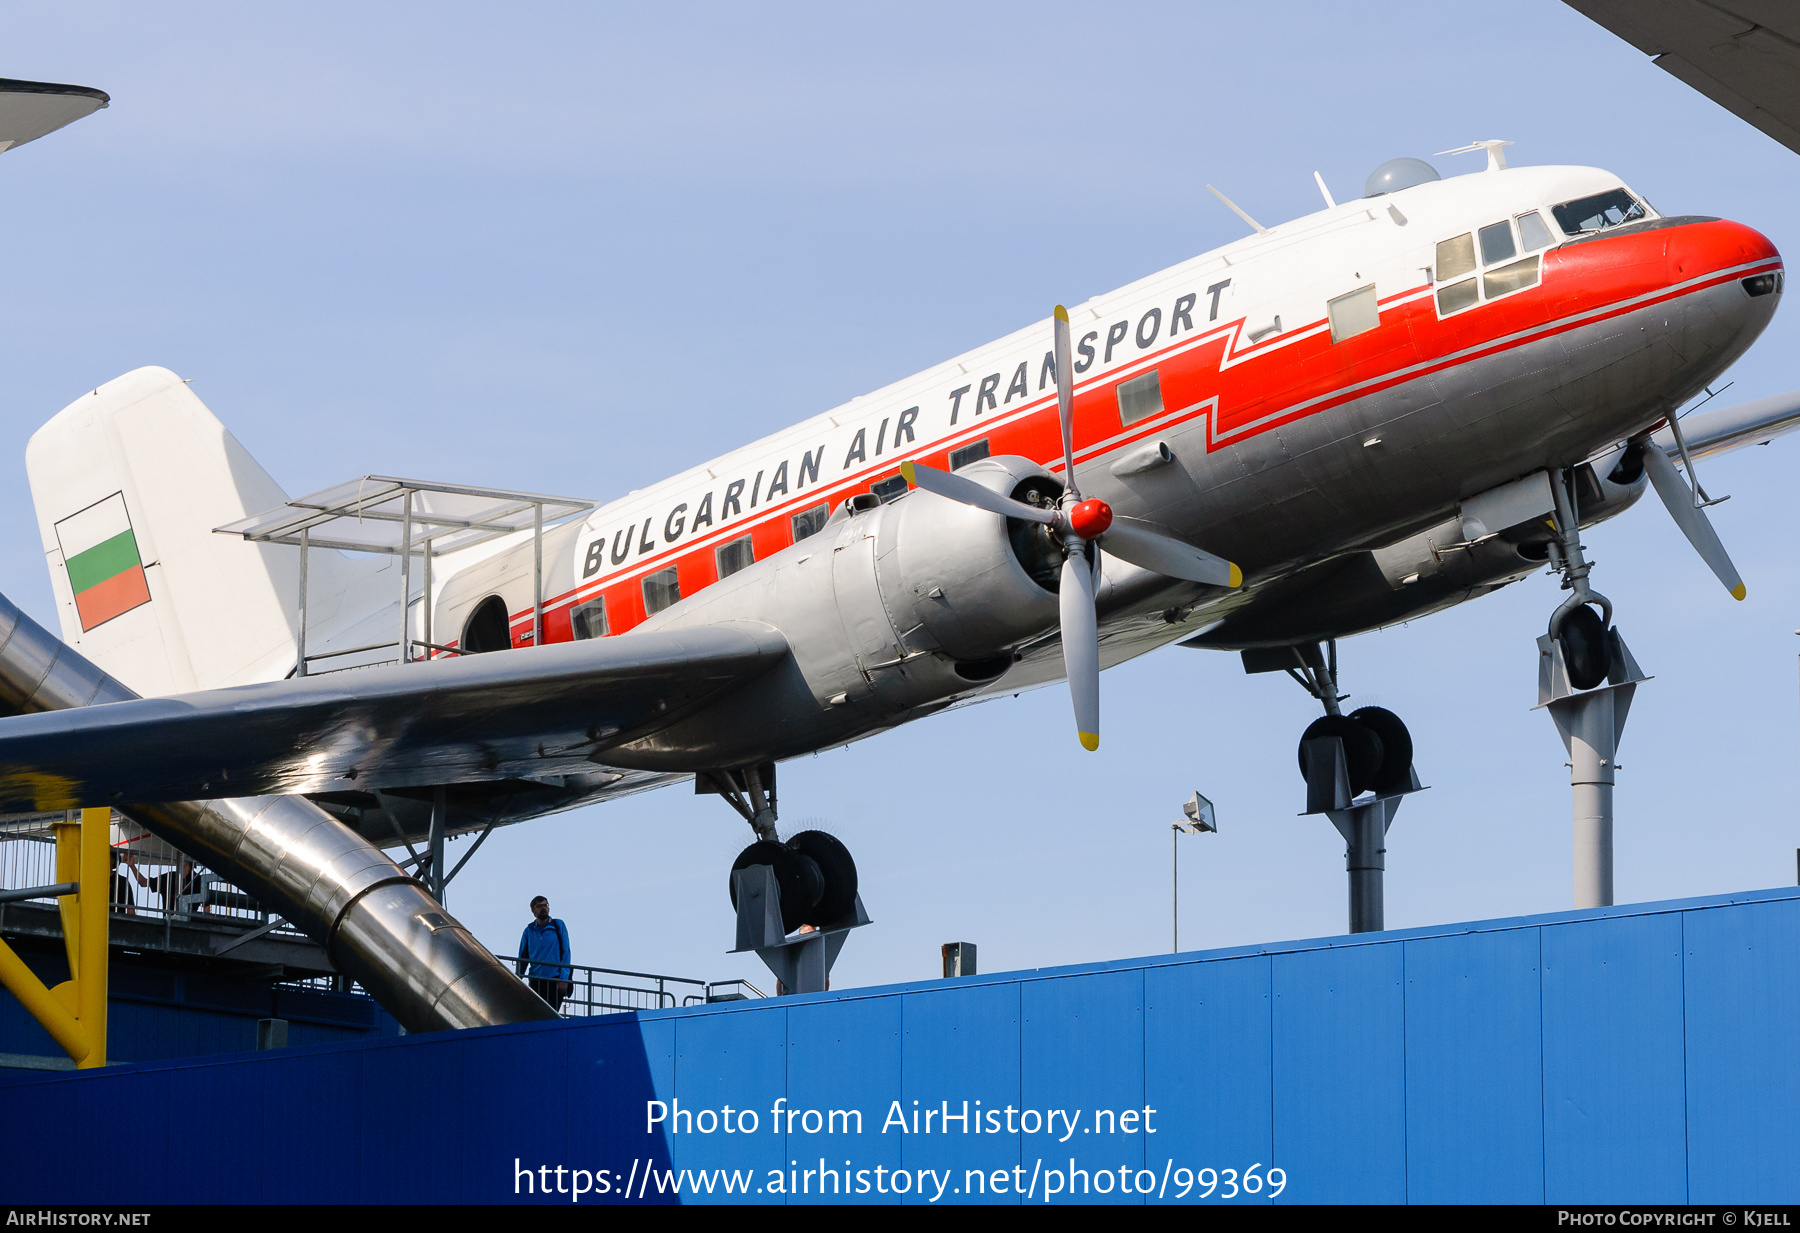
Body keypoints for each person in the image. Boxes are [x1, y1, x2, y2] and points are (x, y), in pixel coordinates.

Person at [515, 895, 572, 1012]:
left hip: (555, 979)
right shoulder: (529, 931)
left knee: (551, 1014)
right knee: (536, 1014)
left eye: (545, 905)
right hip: (536, 980)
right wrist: (516, 980)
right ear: (533, 910)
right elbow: (522, 957)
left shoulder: (558, 925)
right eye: (539, 906)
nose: (543, 908)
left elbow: (566, 952)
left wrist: (564, 978)